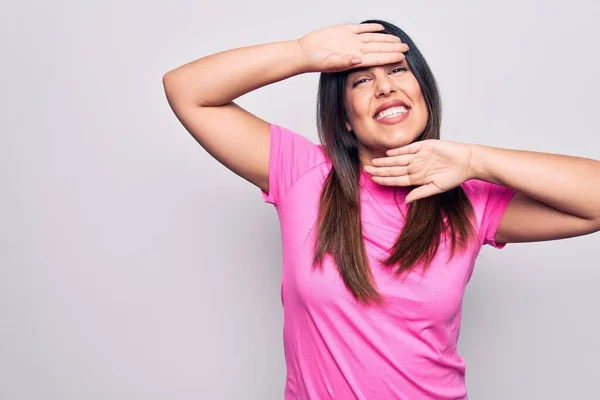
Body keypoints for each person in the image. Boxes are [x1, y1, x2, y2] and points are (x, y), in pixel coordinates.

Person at [162, 19, 600, 400]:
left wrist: (474, 160)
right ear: (346, 118)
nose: (385, 85)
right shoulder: (303, 173)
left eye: (396, 70)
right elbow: (187, 90)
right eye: (360, 80)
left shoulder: (468, 200)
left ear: (423, 94)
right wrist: (302, 54)